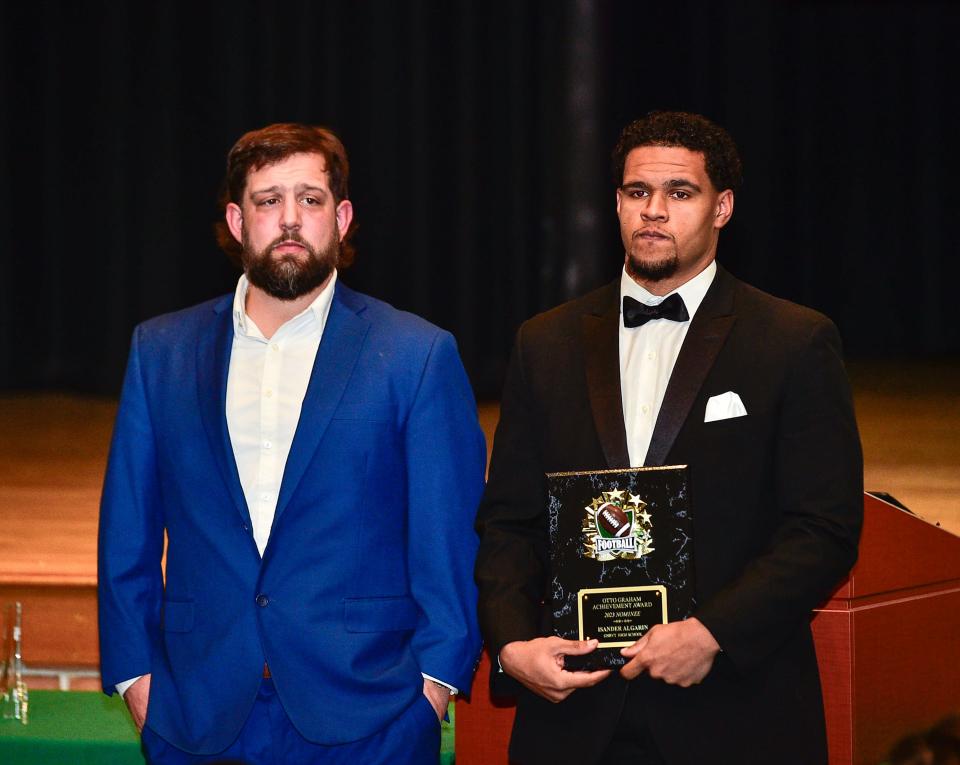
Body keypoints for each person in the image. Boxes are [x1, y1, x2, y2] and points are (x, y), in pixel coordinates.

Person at [474, 111, 863, 764]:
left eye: (680, 192)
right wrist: (512, 643)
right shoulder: (544, 342)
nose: (653, 211)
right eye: (637, 192)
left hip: (734, 712)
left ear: (723, 206)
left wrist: (713, 634)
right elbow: (511, 519)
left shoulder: (793, 341)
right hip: (576, 717)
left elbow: (823, 527)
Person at [98, 123, 486, 764]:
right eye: (267, 200)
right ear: (236, 218)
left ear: (341, 217)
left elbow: (451, 535)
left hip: (371, 714)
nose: (289, 219)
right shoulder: (160, 352)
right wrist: (138, 679)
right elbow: (127, 533)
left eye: (309, 200)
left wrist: (434, 687)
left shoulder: (417, 354)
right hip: (197, 712)